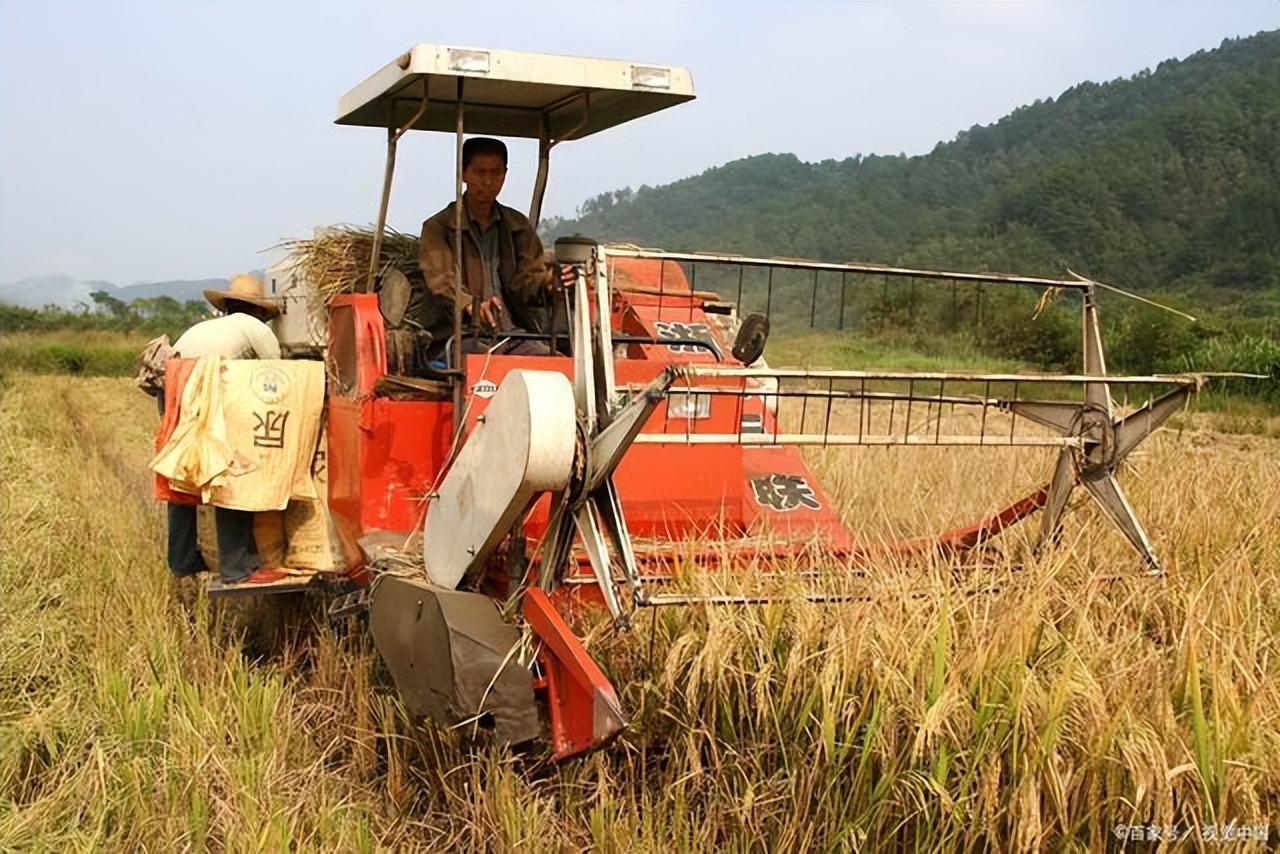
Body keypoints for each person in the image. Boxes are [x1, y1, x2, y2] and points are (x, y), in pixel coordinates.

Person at [163, 273, 286, 586]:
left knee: (183, 473)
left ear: (228, 306)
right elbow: (279, 373)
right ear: (258, 310)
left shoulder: (205, 326)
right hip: (205, 386)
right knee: (229, 469)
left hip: (174, 388)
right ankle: (237, 566)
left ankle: (182, 558)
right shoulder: (255, 328)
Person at [418, 136, 568, 357]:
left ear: (504, 175)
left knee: (551, 364)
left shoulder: (518, 227)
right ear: (463, 173)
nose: (487, 182)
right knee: (486, 366)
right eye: (479, 172)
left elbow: (527, 282)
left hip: (513, 334)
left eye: (495, 172)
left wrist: (548, 284)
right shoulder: (439, 228)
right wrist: (470, 305)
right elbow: (440, 281)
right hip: (460, 336)